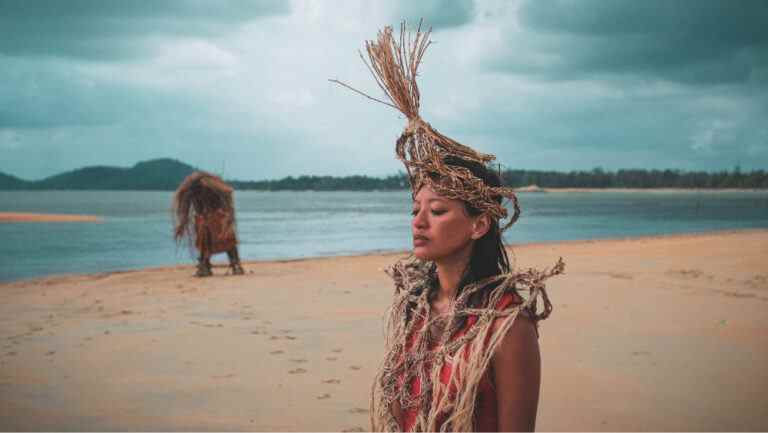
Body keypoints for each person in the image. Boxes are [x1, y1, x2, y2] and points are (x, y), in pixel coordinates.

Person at [333, 22, 564, 431]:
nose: (418, 222)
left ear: (479, 225)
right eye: (415, 209)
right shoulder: (416, 306)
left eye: (437, 211)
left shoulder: (507, 325)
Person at [172, 171, 245, 277]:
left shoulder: (210, 188)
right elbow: (185, 209)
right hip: (206, 219)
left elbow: (228, 194)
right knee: (208, 243)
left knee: (226, 241)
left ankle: (229, 265)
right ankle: (208, 266)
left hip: (217, 218)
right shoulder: (192, 191)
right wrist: (182, 224)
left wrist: (226, 216)